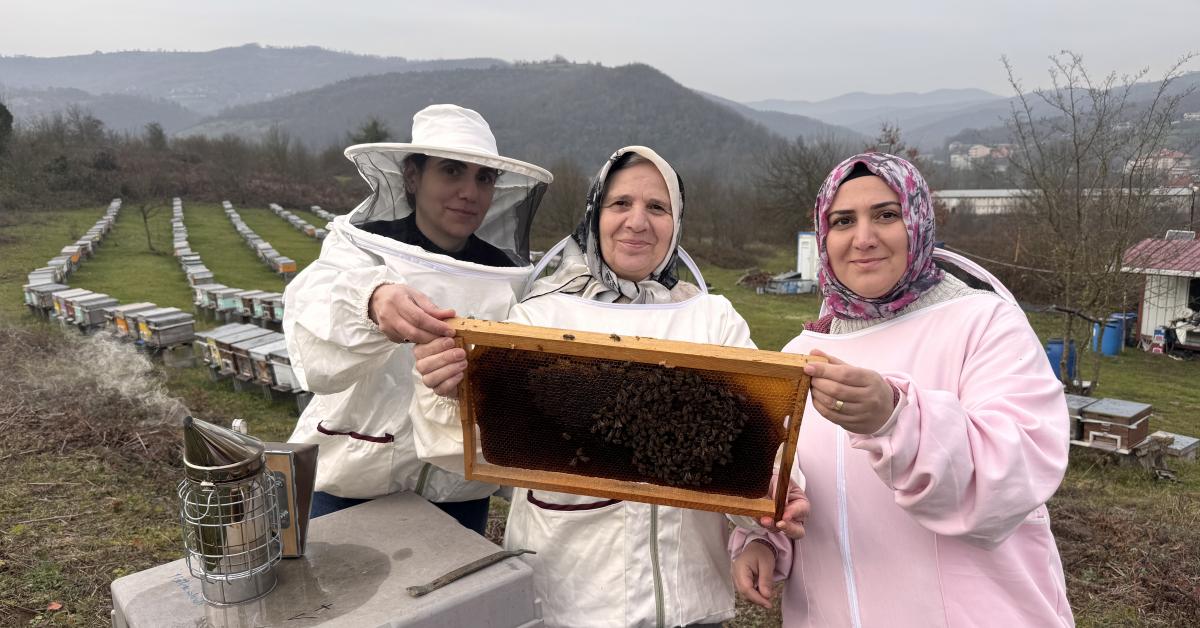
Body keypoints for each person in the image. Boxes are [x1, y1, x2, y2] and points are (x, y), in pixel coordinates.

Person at [411, 146, 779, 627]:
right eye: (620, 203)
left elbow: (761, 447)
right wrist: (451, 391)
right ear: (595, 213)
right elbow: (481, 448)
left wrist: (765, 522)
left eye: (657, 207)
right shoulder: (541, 317)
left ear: (677, 222)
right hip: (571, 598)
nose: (637, 221)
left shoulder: (713, 319)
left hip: (690, 599)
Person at [730, 152, 1074, 627]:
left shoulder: (984, 323)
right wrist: (763, 538)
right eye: (843, 220)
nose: (864, 238)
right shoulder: (802, 350)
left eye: (886, 215)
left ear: (917, 221)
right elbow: (790, 482)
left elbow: (1016, 475)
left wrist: (896, 419)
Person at [282, 104, 553, 534]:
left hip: (459, 495)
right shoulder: (361, 248)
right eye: (451, 171)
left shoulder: (506, 276)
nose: (470, 192)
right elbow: (312, 318)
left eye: (483, 178)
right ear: (412, 176)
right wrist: (372, 301)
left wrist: (473, 384)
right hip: (353, 485)